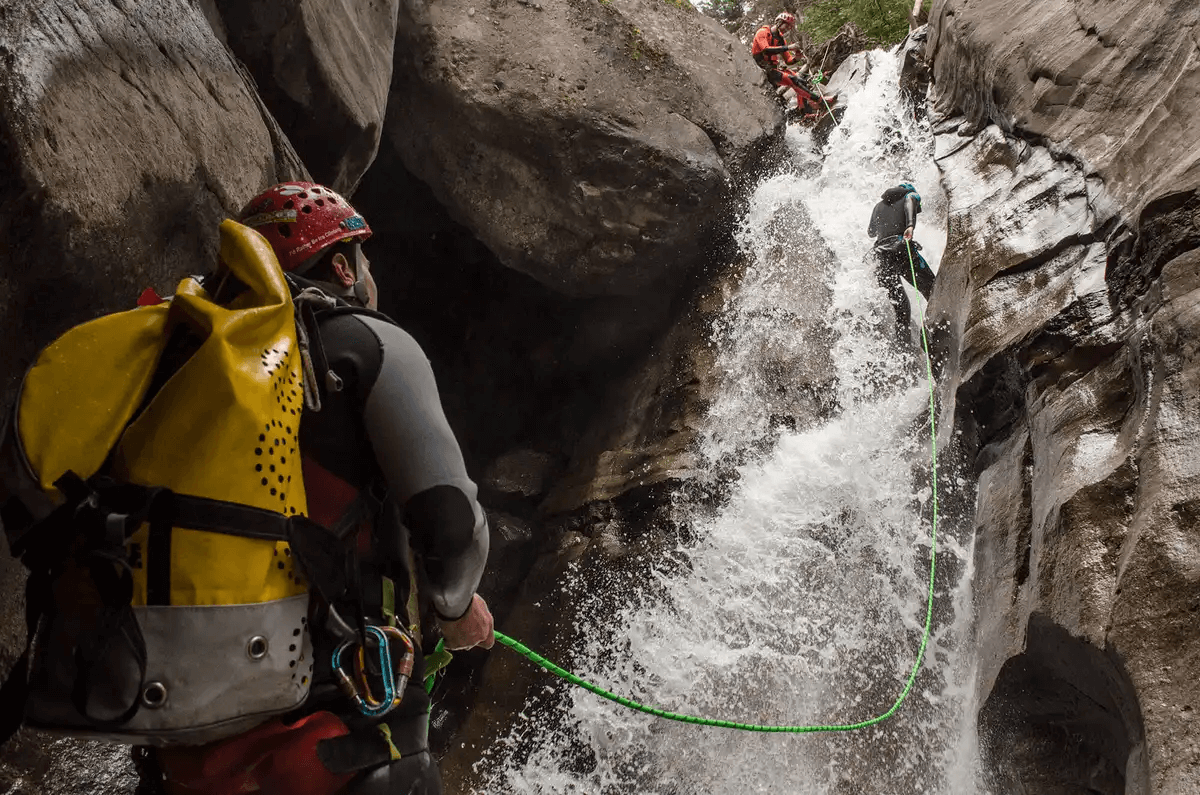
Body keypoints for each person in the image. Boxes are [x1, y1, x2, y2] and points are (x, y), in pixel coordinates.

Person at [154, 182, 495, 795]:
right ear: (342, 266)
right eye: (364, 259)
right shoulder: (366, 343)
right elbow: (451, 522)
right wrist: (455, 609)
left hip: (177, 725)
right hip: (334, 721)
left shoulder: (181, 364)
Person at [867, 182, 935, 340]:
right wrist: (910, 225)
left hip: (881, 257)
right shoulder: (910, 194)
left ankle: (904, 351)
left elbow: (871, 232)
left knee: (902, 309)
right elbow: (910, 202)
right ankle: (933, 336)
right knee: (933, 291)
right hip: (901, 251)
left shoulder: (877, 206)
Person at [751, 12, 834, 116]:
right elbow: (766, 50)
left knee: (800, 80)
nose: (788, 29)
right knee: (792, 79)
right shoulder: (762, 32)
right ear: (779, 22)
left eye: (790, 27)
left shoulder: (780, 39)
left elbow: (788, 60)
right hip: (762, 68)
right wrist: (789, 47)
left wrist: (797, 58)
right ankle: (820, 102)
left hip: (773, 69)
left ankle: (805, 112)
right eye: (787, 25)